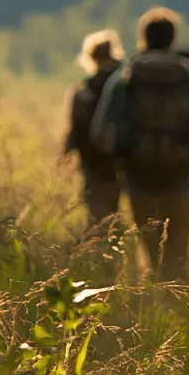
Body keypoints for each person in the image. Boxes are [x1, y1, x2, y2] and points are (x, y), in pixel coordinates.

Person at [90, 7, 189, 277]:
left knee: (151, 252)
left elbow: (99, 131)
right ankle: (175, 302)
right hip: (183, 176)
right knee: (177, 254)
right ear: (173, 40)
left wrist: (121, 154)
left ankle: (153, 300)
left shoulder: (126, 76)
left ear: (143, 38)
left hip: (139, 177)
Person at [65, 30, 124, 232]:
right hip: (125, 161)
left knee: (98, 219)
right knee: (123, 216)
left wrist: (67, 153)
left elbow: (73, 129)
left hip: (93, 163)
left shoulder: (82, 91)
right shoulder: (127, 85)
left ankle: (99, 256)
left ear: (90, 57)